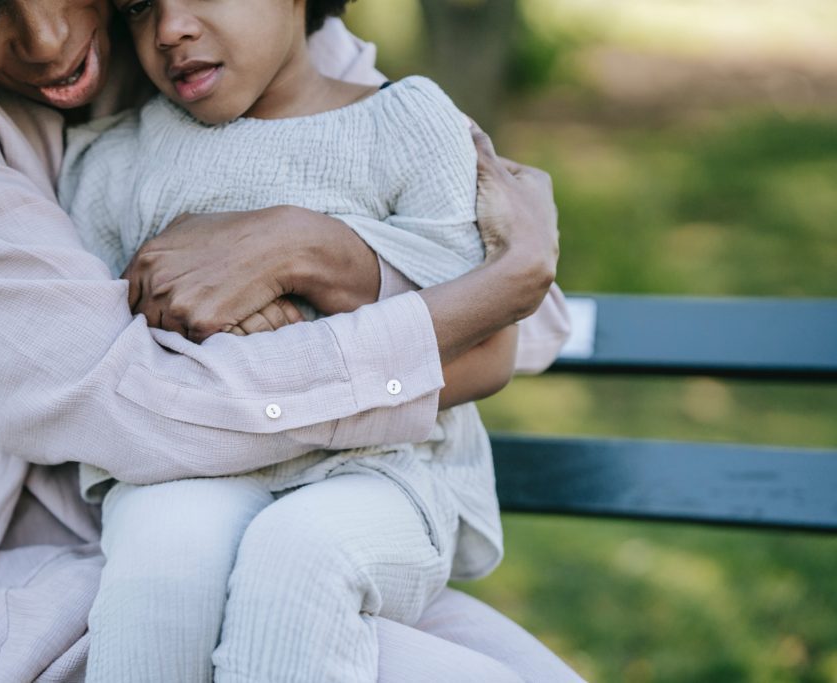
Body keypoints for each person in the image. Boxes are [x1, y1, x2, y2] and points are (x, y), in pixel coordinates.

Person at [0, 1, 579, 681]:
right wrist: (477, 297)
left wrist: (311, 248)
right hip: (28, 609)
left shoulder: (216, 40)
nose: (45, 40)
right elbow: (141, 410)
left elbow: (518, 324)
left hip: (326, 511)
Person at [58, 0, 559, 680]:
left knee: (301, 554)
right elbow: (107, 349)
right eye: (140, 6)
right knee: (158, 567)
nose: (170, 28)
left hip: (387, 473)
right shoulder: (116, 161)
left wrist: (279, 310)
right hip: (191, 466)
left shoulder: (408, 124)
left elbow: (475, 328)